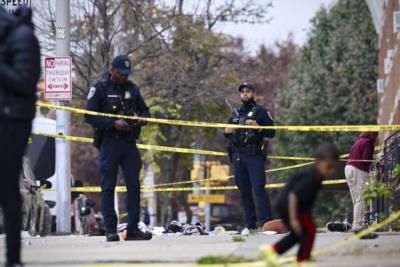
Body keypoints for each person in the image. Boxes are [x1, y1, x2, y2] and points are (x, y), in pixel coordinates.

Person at [85, 55, 152, 242]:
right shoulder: (100, 88)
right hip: (109, 141)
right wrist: (113, 123)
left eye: (126, 74)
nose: (124, 77)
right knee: (108, 187)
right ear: (112, 69)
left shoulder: (132, 89)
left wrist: (142, 118)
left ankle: (133, 229)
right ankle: (110, 229)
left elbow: (145, 110)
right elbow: (89, 115)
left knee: (134, 185)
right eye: (121, 73)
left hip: (129, 142)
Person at [0, 6, 41, 267]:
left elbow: (26, 81)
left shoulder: (23, 37)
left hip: (13, 120)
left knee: (6, 187)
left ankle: (13, 258)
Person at [262, 143, 340, 266]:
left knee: (300, 234)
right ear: (318, 162)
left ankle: (273, 251)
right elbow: (294, 195)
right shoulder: (310, 177)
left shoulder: (317, 176)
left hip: (295, 206)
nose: (331, 171)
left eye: (334, 167)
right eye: (329, 167)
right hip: (288, 205)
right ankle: (302, 260)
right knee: (308, 230)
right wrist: (293, 220)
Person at [224, 82, 275, 230]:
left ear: (253, 93)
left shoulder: (260, 111)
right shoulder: (235, 113)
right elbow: (226, 133)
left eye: (248, 91)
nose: (245, 94)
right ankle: (250, 223)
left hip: (254, 156)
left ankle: (266, 222)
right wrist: (227, 131)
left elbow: (272, 132)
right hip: (238, 156)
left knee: (259, 188)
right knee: (244, 190)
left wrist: (258, 128)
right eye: (242, 92)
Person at [345, 132, 377, 231]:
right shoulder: (368, 142)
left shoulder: (358, 142)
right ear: (372, 135)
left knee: (356, 199)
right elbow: (366, 159)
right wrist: (375, 159)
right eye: (376, 135)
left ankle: (357, 223)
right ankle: (357, 225)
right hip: (358, 170)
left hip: (348, 168)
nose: (377, 138)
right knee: (361, 198)